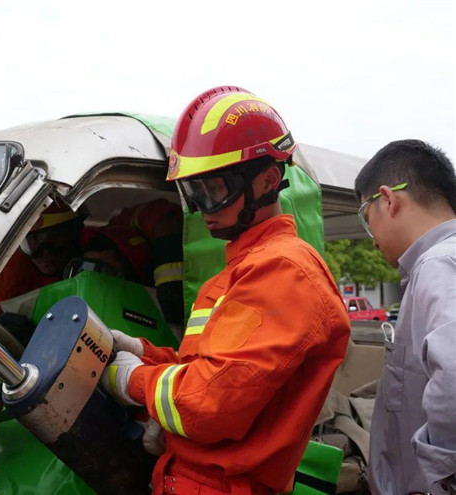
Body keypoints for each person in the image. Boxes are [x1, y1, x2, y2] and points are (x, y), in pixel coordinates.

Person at [101, 86, 350, 494]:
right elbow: (208, 369)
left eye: (213, 190)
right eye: (193, 192)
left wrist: (132, 381)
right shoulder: (245, 268)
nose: (201, 208)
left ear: (269, 180)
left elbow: (208, 403)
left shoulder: (282, 272)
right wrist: (141, 352)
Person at [354, 139, 456, 495]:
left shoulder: (438, 265)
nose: (372, 241)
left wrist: (443, 479)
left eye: (367, 220)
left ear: (388, 200)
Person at [0, 201, 85, 316]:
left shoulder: (94, 266)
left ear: (73, 235)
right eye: (32, 242)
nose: (45, 253)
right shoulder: (6, 277)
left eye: (54, 239)